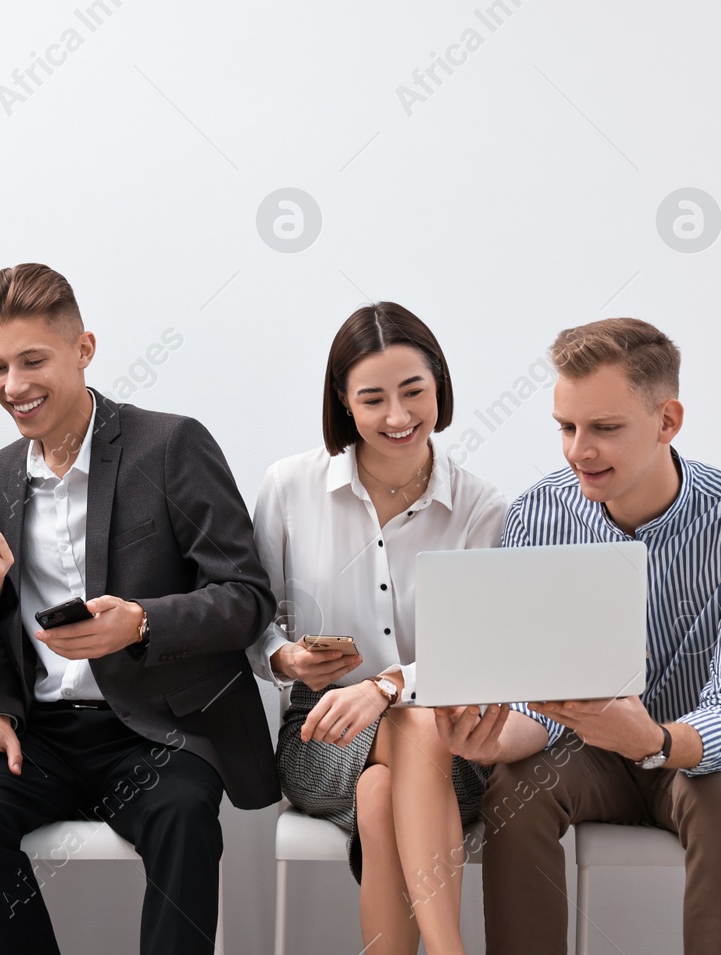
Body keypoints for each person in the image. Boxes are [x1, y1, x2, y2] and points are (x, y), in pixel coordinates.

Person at [0, 263, 278, 955]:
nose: (13, 386)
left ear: (84, 349)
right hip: (43, 734)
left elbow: (247, 597)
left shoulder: (172, 444)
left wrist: (142, 621)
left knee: (183, 815)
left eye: (33, 360)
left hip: (157, 731)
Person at [434, 318, 721, 955]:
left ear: (668, 421)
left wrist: (658, 740)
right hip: (590, 750)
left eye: (604, 428)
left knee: (715, 793)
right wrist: (501, 737)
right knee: (515, 787)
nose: (578, 450)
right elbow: (536, 693)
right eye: (566, 427)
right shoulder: (537, 517)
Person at [248, 302, 507, 955]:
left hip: (450, 739)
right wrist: (286, 662)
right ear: (344, 402)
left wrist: (390, 686)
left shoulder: (482, 508)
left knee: (385, 776)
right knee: (385, 755)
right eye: (373, 398)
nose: (398, 416)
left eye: (414, 391)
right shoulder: (288, 487)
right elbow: (253, 624)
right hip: (321, 733)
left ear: (439, 386)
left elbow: (483, 652)